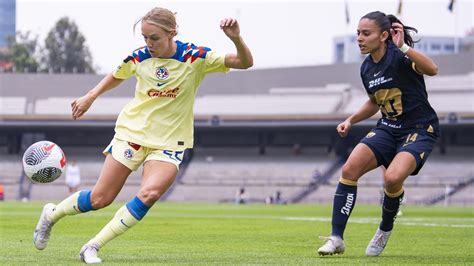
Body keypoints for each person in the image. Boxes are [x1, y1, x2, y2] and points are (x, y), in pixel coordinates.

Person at [33, 7, 253, 264]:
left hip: (170, 142)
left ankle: (92, 247)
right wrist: (90, 96)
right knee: (100, 199)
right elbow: (116, 74)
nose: (148, 44)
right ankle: (51, 214)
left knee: (149, 193)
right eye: (145, 38)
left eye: (154, 38)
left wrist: (236, 38)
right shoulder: (139, 58)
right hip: (132, 134)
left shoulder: (196, 57)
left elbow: (245, 63)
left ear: (172, 33)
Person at [317, 11, 439, 257]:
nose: (360, 39)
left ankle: (385, 228)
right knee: (349, 169)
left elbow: (433, 69)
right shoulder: (366, 68)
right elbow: (375, 102)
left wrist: (403, 45)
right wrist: (350, 120)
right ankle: (336, 238)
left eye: (366, 33)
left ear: (384, 35)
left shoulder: (401, 57)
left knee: (392, 179)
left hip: (418, 128)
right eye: (358, 34)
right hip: (388, 127)